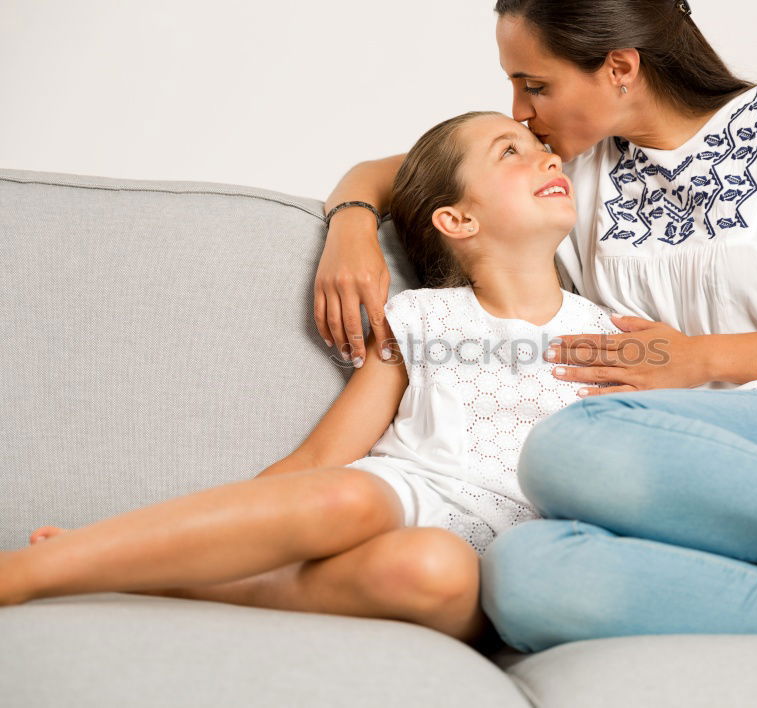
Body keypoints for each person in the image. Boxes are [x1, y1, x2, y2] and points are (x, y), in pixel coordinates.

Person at [312, 0, 757, 660]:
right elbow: (406, 174)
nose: (521, 111)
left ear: (618, 68)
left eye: (536, 85)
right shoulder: (572, 176)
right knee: (522, 573)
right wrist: (349, 222)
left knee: (570, 450)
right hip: (674, 490)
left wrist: (701, 360)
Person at [0, 110, 622, 655]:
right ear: (457, 219)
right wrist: (237, 525)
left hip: (495, 553)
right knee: (345, 494)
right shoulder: (423, 318)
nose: (544, 154)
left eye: (538, 148)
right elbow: (322, 456)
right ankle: (43, 568)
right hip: (404, 496)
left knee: (436, 571)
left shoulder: (616, 338)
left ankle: (163, 578)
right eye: (509, 151)